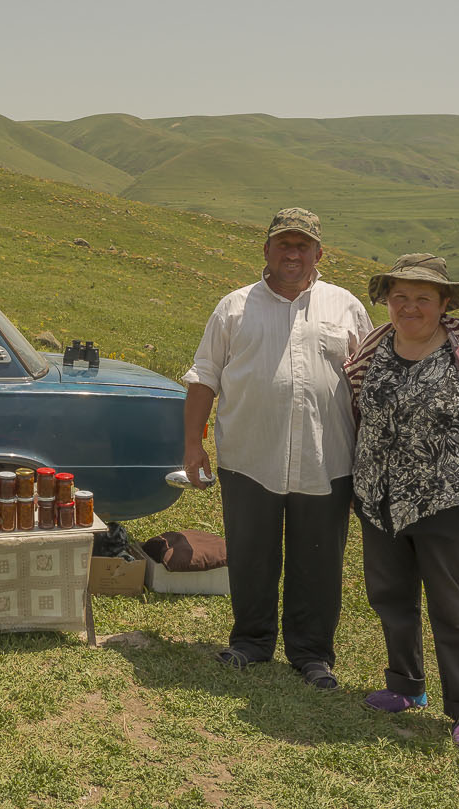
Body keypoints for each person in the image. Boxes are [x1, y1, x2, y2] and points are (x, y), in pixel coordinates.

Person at [344, 253, 459, 754]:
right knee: (390, 596)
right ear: (386, 299)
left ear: (444, 302)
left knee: (454, 608)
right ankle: (405, 686)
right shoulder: (374, 346)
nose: (409, 307)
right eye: (399, 296)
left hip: (446, 498)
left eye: (422, 298)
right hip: (378, 496)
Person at [182, 208, 373, 688]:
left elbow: (370, 382)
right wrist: (192, 443)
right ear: (266, 250)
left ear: (319, 253)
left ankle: (312, 655)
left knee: (320, 560)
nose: (293, 253)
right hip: (249, 456)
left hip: (326, 459)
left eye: (302, 245)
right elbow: (205, 375)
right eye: (284, 244)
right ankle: (251, 641)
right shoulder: (234, 307)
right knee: (251, 554)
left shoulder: (345, 307)